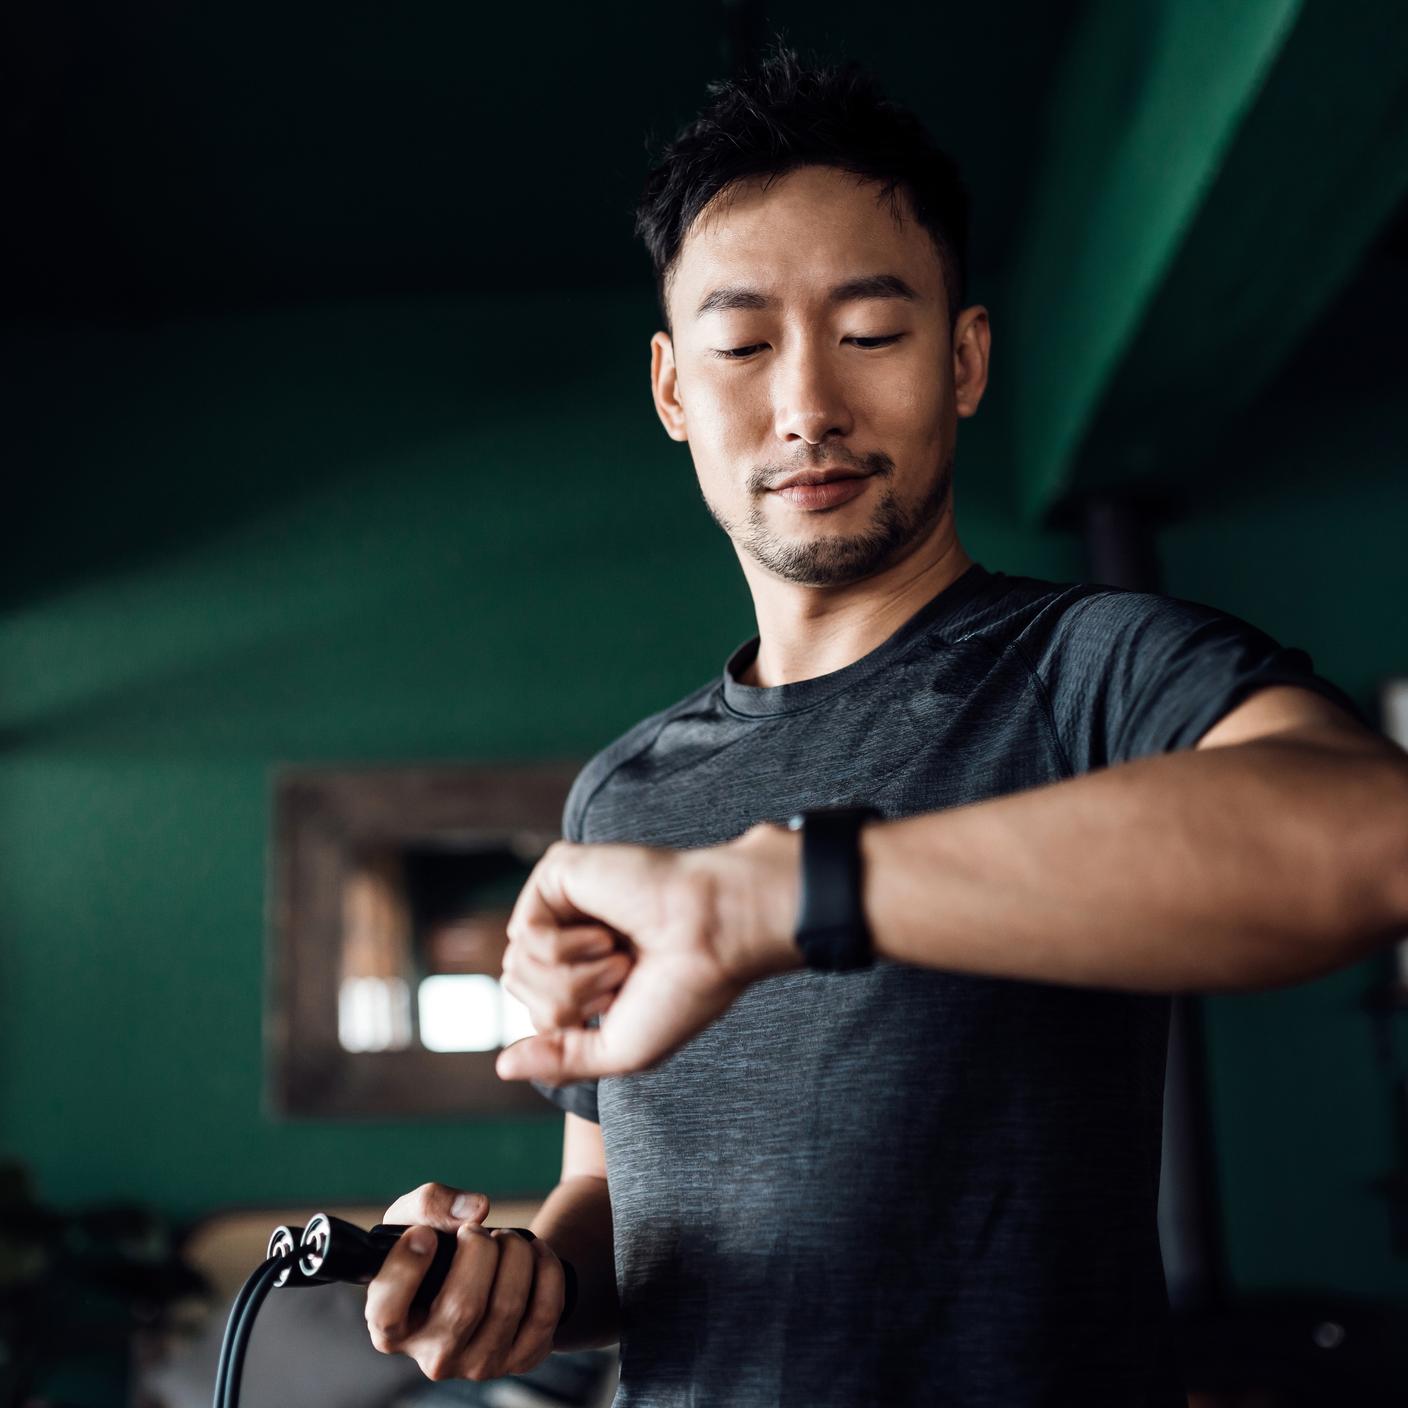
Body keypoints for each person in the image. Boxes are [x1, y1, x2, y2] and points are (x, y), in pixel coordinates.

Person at [362, 43, 1408, 1406]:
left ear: (964, 359)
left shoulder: (1092, 667)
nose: (807, 406)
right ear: (676, 391)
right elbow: (620, 1203)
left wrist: (781, 894)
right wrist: (528, 1283)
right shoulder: (622, 795)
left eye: (871, 335)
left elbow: (1373, 839)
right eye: (744, 347)